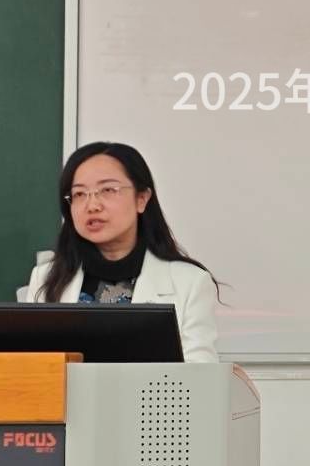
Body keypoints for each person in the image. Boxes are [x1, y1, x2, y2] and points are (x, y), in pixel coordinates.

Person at [25, 142, 221, 362]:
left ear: (141, 199)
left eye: (108, 190)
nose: (92, 205)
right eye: (79, 194)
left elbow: (200, 373)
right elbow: (31, 367)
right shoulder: (45, 278)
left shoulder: (190, 283)